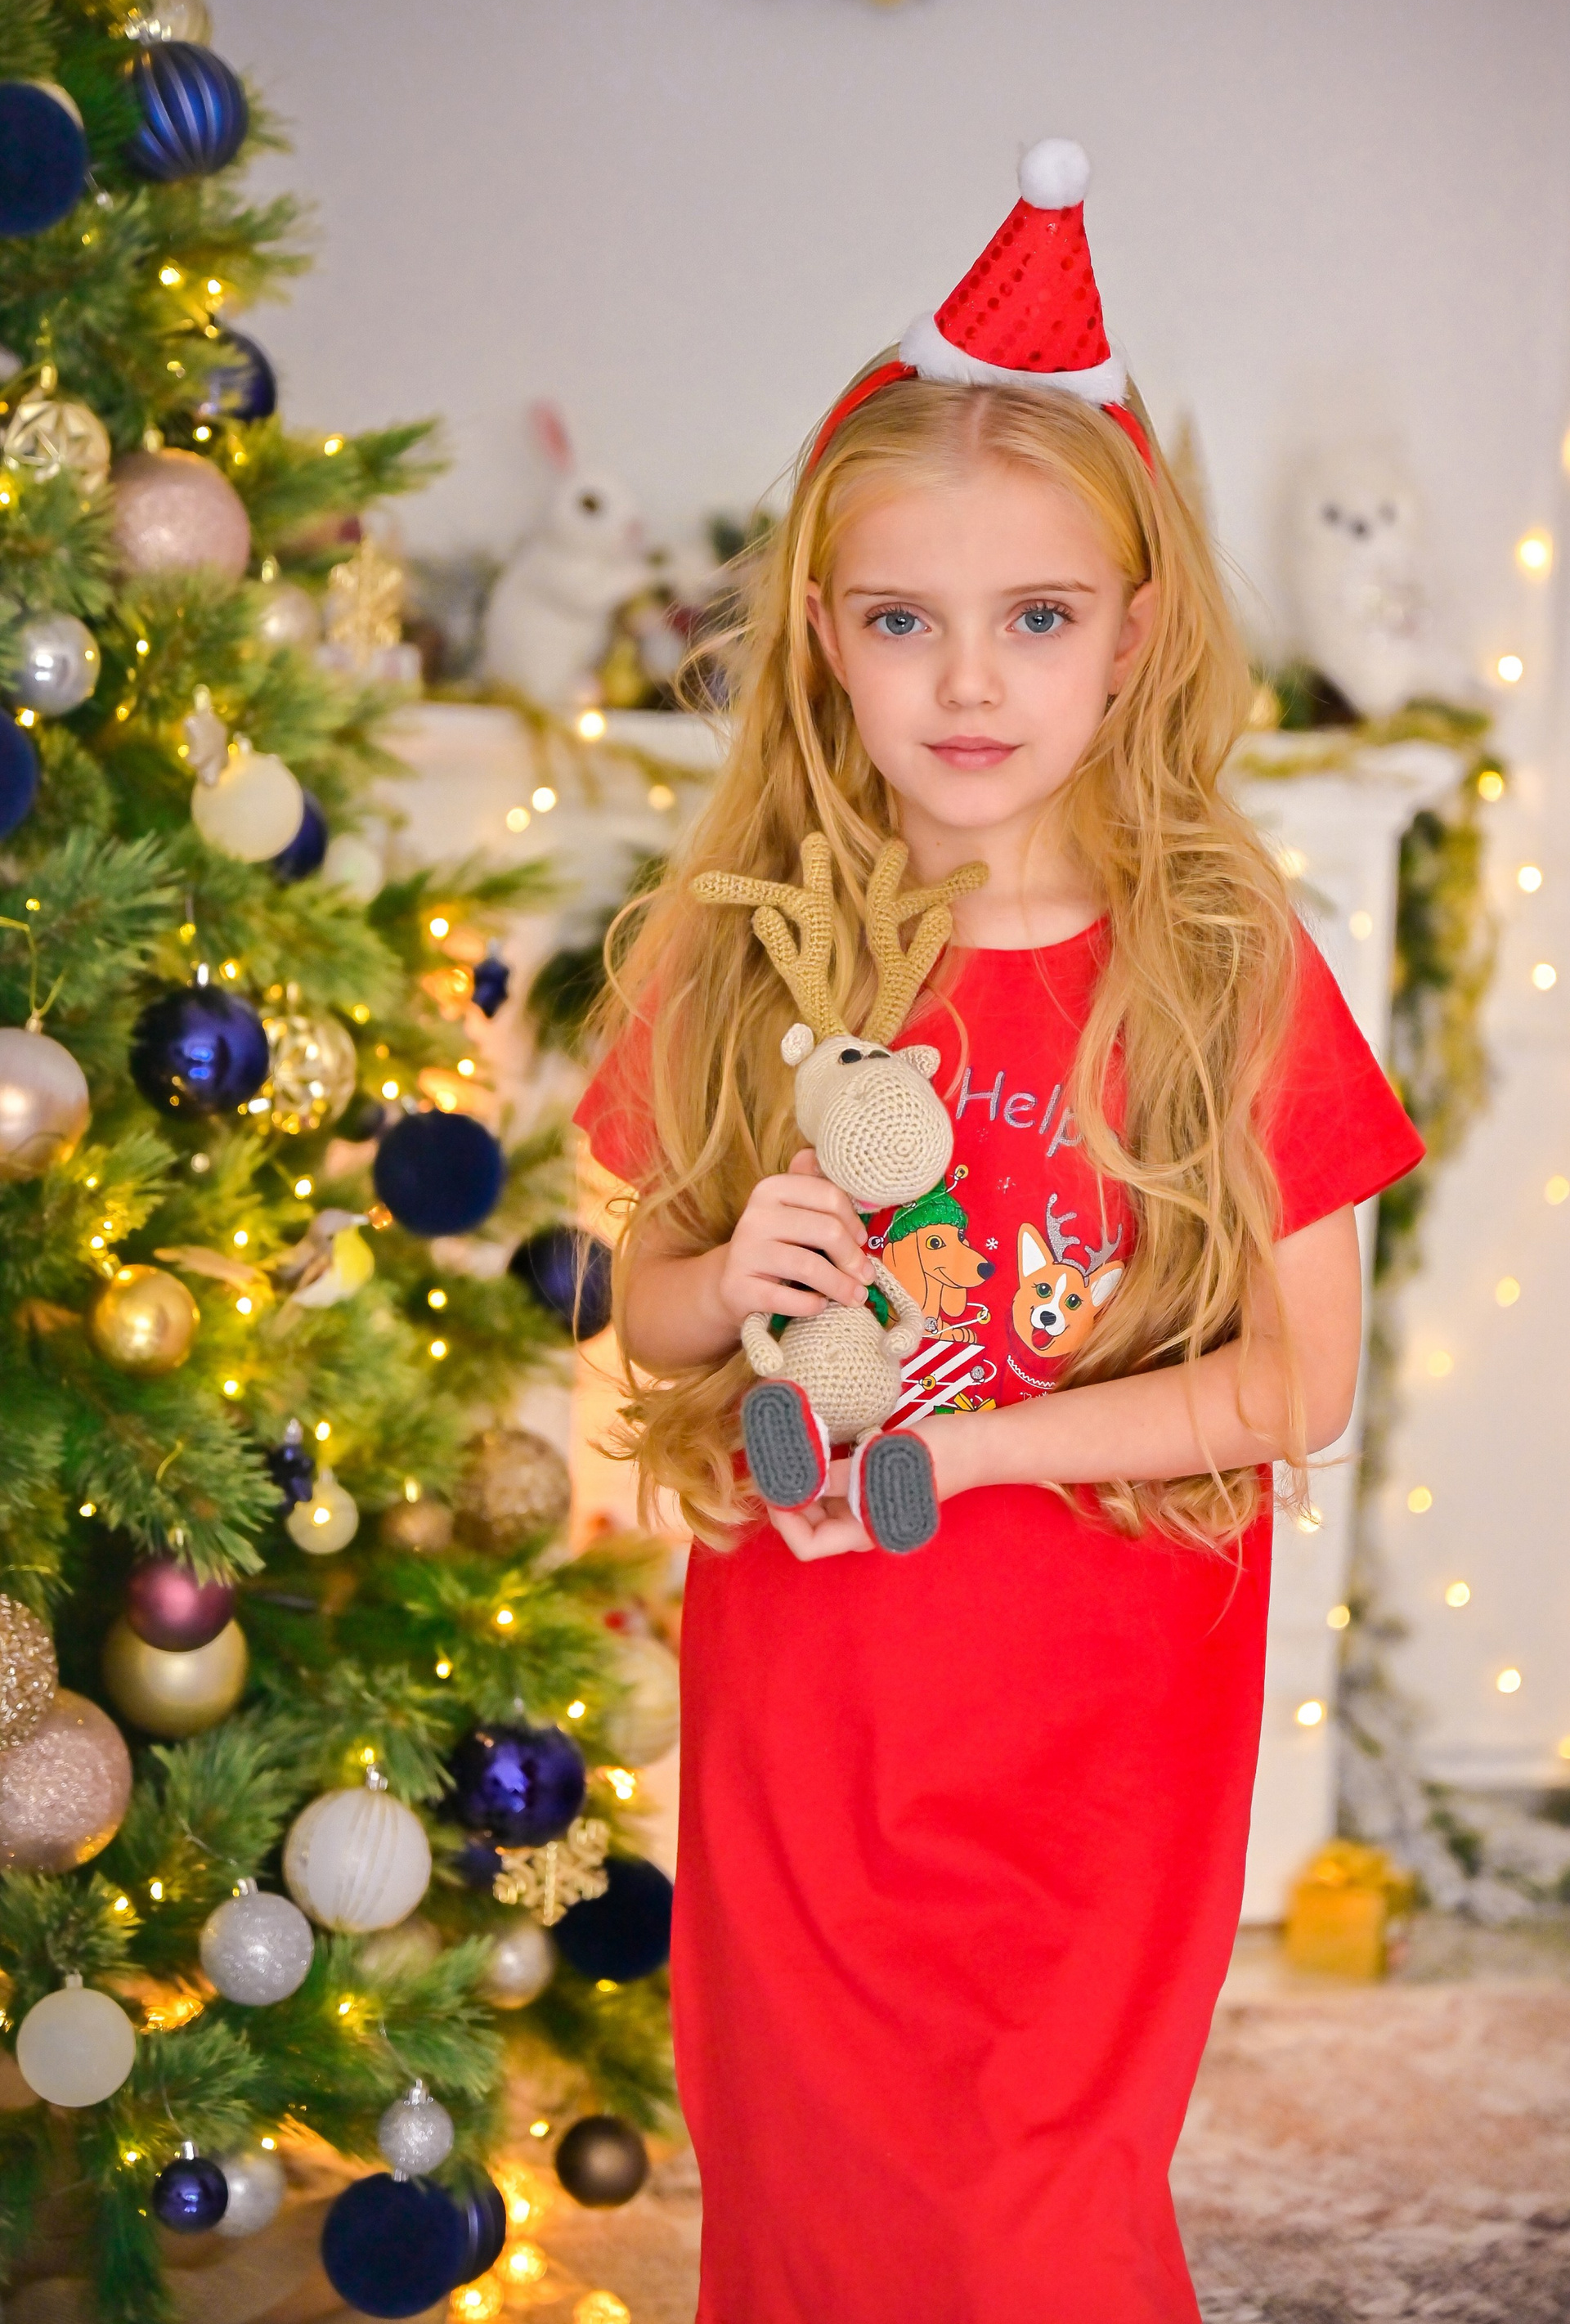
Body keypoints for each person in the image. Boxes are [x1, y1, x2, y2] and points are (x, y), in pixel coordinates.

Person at [573, 137, 1423, 2324]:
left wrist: (972, 1454)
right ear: (823, 641)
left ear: (1133, 636)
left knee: (1036, 2202)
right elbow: (647, 1312)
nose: (970, 684)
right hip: (812, 1686)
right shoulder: (744, 948)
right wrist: (725, 1281)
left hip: (1097, 1713)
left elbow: (1298, 1381)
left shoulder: (1229, 968)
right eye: (904, 622)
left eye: (1035, 617)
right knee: (809, 2177)